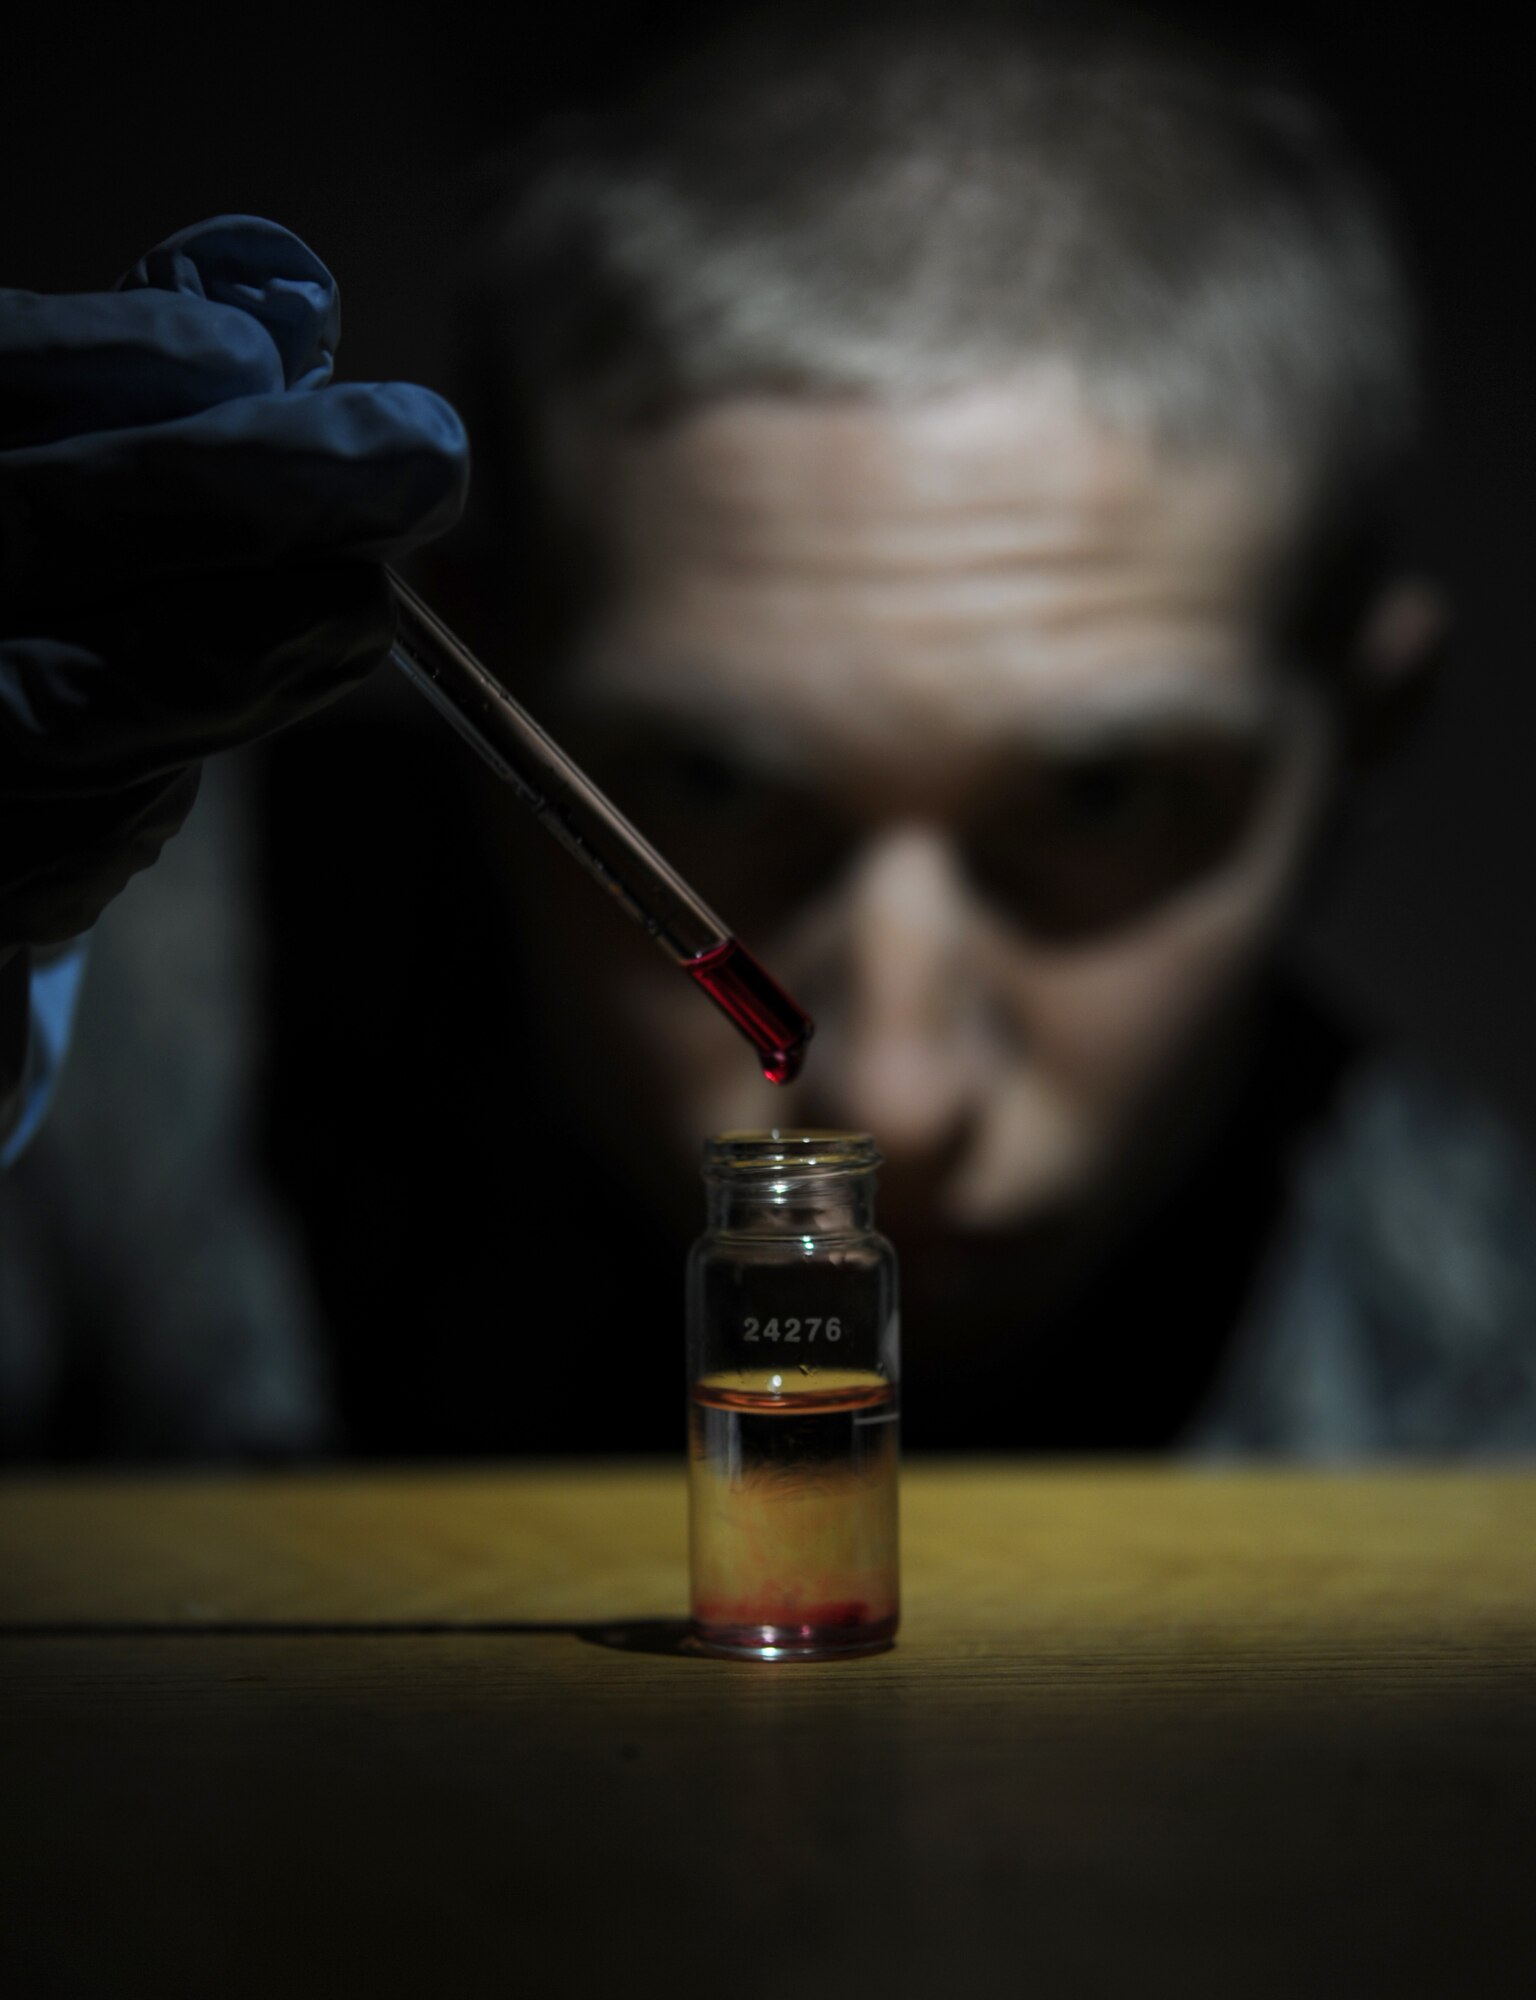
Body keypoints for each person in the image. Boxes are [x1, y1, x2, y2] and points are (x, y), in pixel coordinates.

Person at [393, 5, 1535, 1454]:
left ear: (1361, 740)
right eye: (709, 784)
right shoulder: (76, 1080)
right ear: (488, 700)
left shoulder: (1486, 1404)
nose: (894, 1092)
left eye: (1105, 799)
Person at [0, 214, 468, 1452]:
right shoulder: (148, 986)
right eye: (706, 777)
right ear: (511, 625)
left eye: (1060, 804)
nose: (901, 1090)